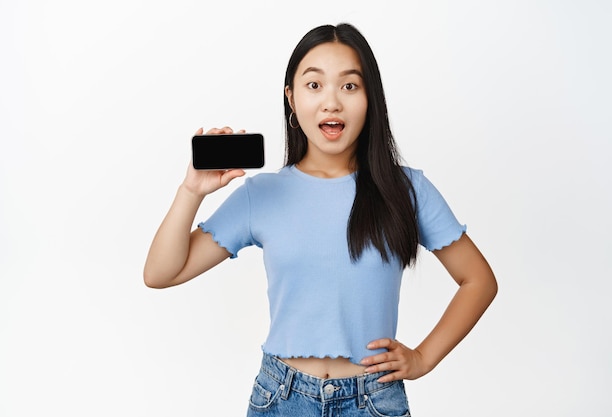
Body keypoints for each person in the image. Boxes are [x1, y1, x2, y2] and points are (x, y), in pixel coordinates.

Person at [144, 23, 497, 417]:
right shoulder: (261, 195)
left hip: (374, 400)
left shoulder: (406, 189)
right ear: (291, 99)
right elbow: (161, 273)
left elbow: (479, 280)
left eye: (349, 86)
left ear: (371, 98)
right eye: (314, 86)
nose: (332, 102)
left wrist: (423, 358)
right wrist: (191, 192)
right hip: (281, 397)